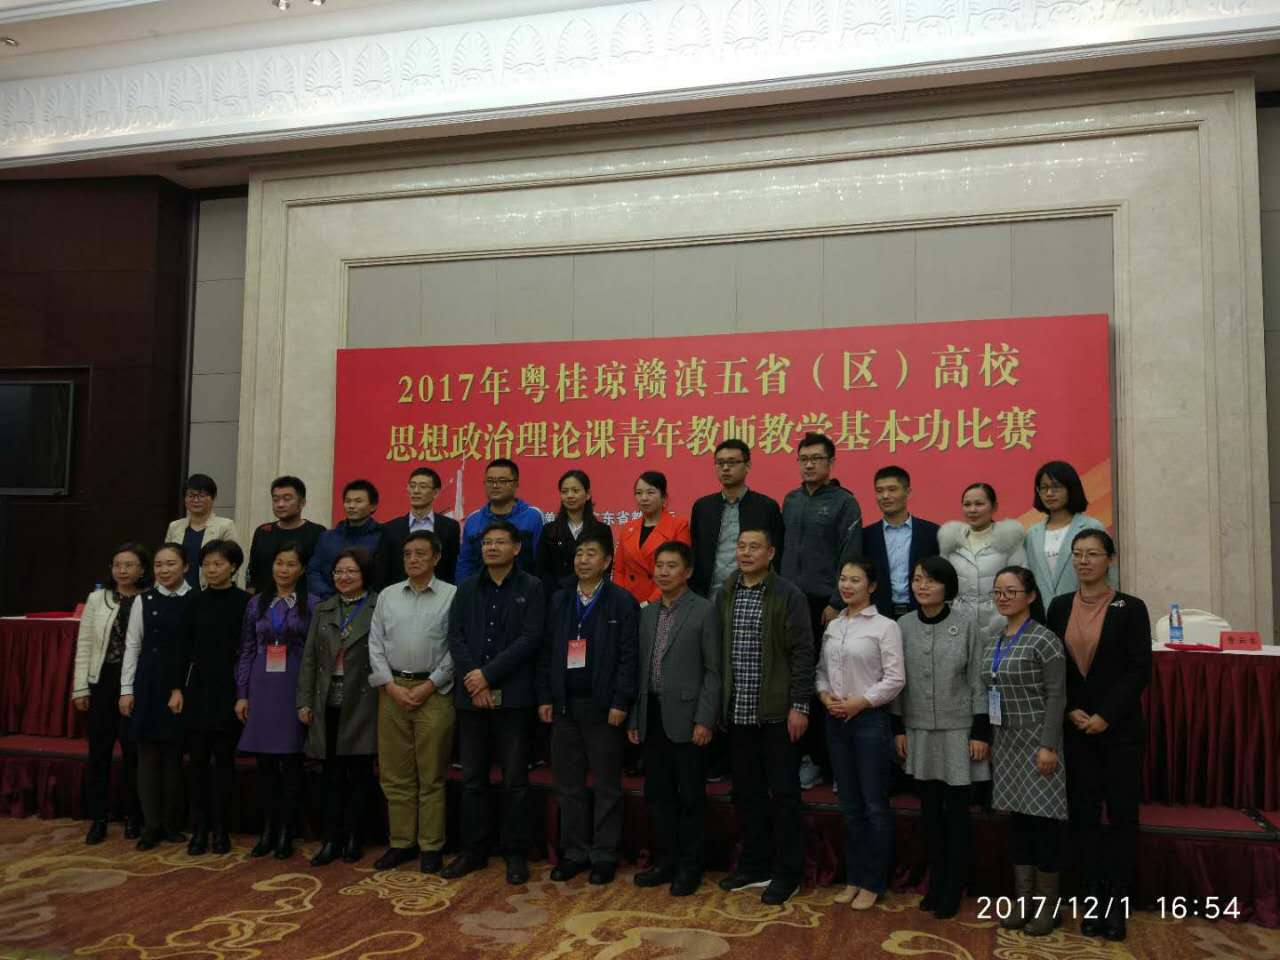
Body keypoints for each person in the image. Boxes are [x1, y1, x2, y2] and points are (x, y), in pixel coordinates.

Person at [1047, 530, 1151, 942]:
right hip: (1076, 729)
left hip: (1119, 730)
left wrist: (1107, 715)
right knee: (1084, 816)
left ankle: (1118, 903)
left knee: (1122, 816)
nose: (1084, 561)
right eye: (1078, 554)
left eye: (1093, 554)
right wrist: (1069, 708)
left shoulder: (1131, 607)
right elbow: (1054, 666)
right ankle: (1091, 899)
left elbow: (1139, 669)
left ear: (1111, 559)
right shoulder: (1058, 606)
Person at [443, 520, 546, 885]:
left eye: (500, 542)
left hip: (514, 697)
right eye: (487, 542)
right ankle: (474, 850)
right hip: (472, 696)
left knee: (515, 779)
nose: (491, 548)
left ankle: (514, 851)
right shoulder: (467, 588)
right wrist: (475, 678)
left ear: (516, 548)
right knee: (472, 778)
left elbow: (531, 639)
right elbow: (455, 636)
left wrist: (487, 675)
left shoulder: (532, 587)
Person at [714, 527, 814, 906]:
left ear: (771, 553)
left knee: (784, 795)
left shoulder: (788, 594)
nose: (745, 553)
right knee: (747, 794)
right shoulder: (727, 590)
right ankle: (754, 865)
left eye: (754, 547)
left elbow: (803, 653)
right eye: (741, 546)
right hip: (738, 713)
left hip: (777, 714)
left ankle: (788, 872)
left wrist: (799, 705)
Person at [890, 557, 990, 919]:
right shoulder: (902, 625)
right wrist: (898, 727)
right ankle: (935, 883)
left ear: (947, 587)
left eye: (931, 580)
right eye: (917, 579)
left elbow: (978, 680)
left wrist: (980, 731)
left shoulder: (967, 625)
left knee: (957, 814)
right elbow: (897, 680)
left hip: (957, 730)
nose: (922, 586)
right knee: (929, 813)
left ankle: (953, 886)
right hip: (917, 730)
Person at [537, 531, 639, 885]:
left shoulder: (621, 601)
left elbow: (629, 657)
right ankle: (574, 852)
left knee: (607, 785)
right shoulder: (560, 599)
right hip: (565, 706)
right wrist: (546, 696)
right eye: (579, 553)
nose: (582, 559)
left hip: (603, 707)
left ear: (607, 561)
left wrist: (620, 701)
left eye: (591, 553)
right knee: (568, 785)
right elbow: (546, 651)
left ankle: (604, 854)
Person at [628, 540, 721, 896]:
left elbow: (713, 671)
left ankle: (690, 866)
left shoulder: (704, 610)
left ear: (688, 572)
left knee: (691, 797)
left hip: (689, 718)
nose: (663, 572)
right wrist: (635, 718)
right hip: (652, 715)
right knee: (658, 794)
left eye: (671, 566)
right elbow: (639, 671)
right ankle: (665, 861)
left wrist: (705, 719)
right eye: (659, 566)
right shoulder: (647, 613)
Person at [363, 534, 457, 874]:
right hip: (392, 692)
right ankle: (401, 842)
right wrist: (389, 685)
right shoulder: (388, 595)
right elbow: (375, 644)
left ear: (436, 558)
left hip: (434, 692)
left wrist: (431, 685)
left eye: (420, 554)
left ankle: (431, 845)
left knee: (431, 774)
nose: (413, 559)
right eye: (407, 554)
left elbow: (456, 647)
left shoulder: (452, 595)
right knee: (395, 774)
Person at [983, 566, 1068, 937]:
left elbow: (1057, 696)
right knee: (1018, 824)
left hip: (1039, 742)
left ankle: (1049, 906)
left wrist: (1049, 745)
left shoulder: (1045, 640)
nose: (1003, 598)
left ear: (1030, 596)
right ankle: (1023, 901)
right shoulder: (994, 639)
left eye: (1011, 591)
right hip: (1006, 744)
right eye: (998, 592)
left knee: (1043, 825)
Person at [817, 558, 904, 911]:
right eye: (843, 579)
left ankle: (873, 882)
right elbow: (821, 671)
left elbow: (895, 679)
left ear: (872, 586)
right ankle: (854, 878)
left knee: (874, 806)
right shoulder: (834, 625)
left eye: (855, 580)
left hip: (869, 722)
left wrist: (861, 702)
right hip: (835, 721)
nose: (847, 585)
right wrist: (824, 696)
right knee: (850, 807)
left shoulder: (885, 627)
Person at [781, 432, 864, 790]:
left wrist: (835, 601)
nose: (809, 464)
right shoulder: (791, 500)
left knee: (828, 682)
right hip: (790, 602)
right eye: (804, 459)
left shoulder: (845, 503)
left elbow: (851, 553)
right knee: (796, 679)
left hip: (825, 605)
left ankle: (832, 763)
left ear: (831, 462)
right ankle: (805, 757)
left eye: (816, 458)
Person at [297, 548, 382, 867]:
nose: (344, 577)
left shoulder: (378, 606)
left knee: (359, 773)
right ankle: (331, 839)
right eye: (338, 572)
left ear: (364, 574)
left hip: (363, 702)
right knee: (330, 774)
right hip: (327, 701)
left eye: (351, 571)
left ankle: (355, 837)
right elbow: (309, 658)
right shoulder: (324, 609)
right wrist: (304, 701)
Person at [168, 539, 251, 856]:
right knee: (198, 764)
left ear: (233, 566)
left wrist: (244, 692)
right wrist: (177, 689)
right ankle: (199, 829)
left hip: (230, 689)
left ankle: (221, 830)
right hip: (198, 689)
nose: (211, 570)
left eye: (218, 564)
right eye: (206, 564)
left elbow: (248, 650)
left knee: (224, 764)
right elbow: (181, 647)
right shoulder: (194, 601)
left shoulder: (246, 602)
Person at [236, 543, 313, 859]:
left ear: (301, 569)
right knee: (265, 765)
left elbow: (314, 655)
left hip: (293, 685)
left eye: (291, 564)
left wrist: (309, 697)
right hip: (262, 685)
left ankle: (286, 832)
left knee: (291, 763)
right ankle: (267, 830)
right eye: (279, 563)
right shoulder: (256, 603)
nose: (284, 569)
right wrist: (242, 694)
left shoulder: (312, 604)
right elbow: (246, 649)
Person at [119, 543, 195, 850]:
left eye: (171, 564)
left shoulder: (195, 599)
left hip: (181, 686)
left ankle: (172, 824)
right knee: (148, 757)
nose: (164, 570)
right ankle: (151, 826)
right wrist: (126, 690)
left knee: (174, 757)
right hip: (148, 683)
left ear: (185, 567)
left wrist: (181, 689)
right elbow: (133, 646)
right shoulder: (144, 600)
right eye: (159, 564)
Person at [73, 541, 149, 844]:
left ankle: (134, 816)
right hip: (102, 681)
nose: (122, 570)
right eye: (117, 565)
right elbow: (85, 644)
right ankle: (98, 818)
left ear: (142, 569)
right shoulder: (97, 598)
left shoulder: (150, 597)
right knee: (99, 752)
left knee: (133, 752)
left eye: (129, 565)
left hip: (137, 683)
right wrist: (80, 687)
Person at [689, 440, 784, 598]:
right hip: (707, 596)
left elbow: (776, 556)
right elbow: (695, 553)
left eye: (732, 462)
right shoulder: (702, 507)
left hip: (754, 595)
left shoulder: (766, 507)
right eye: (720, 463)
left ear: (747, 466)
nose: (725, 468)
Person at [938, 483, 1026, 634]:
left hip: (1000, 621)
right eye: (967, 504)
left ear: (994, 507)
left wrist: (1006, 617)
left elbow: (1020, 583)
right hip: (958, 623)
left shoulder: (1009, 539)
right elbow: (943, 586)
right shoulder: (950, 541)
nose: (972, 510)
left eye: (979, 504)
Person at [1023, 461, 1117, 603]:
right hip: (1042, 612)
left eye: (1056, 487)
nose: (1049, 493)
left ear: (1071, 488)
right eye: (1044, 488)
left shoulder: (1091, 527)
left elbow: (1110, 573)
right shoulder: (1032, 534)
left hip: (1085, 607)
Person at [861, 466, 940, 618]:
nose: (885, 496)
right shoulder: (865, 536)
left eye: (892, 489)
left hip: (923, 613)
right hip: (878, 615)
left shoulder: (932, 533)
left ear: (908, 492)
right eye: (879, 491)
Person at [455, 458, 544, 583]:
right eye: (490, 481)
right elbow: (465, 564)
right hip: (481, 590)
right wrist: (463, 591)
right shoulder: (473, 520)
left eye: (502, 481)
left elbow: (541, 562)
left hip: (523, 590)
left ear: (516, 484)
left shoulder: (533, 516)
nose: (495, 486)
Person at [613, 471, 691, 605]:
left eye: (650, 493)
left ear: (664, 497)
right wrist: (621, 599)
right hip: (628, 602)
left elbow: (679, 571)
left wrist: (650, 602)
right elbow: (619, 570)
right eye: (639, 493)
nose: (644, 498)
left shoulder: (678, 526)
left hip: (664, 601)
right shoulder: (627, 528)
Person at [535, 469, 612, 598]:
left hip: (592, 597)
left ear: (587, 494)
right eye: (564, 491)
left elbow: (606, 570)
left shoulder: (601, 530)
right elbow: (542, 571)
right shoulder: (549, 530)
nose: (570, 496)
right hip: (557, 598)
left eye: (575, 491)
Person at [378, 467, 461, 586]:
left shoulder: (450, 527)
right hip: (400, 593)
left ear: (436, 493)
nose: (416, 491)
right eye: (412, 486)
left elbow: (452, 567)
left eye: (423, 486)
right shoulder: (390, 529)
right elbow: (383, 571)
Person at [246, 476, 325, 596]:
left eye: (287, 499)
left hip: (303, 602)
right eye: (275, 499)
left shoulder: (317, 532)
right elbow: (252, 571)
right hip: (265, 601)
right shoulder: (262, 532)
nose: (280, 504)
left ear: (302, 503)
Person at [307, 479, 384, 600]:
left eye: (358, 501)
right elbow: (313, 571)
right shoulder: (327, 537)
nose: (351, 506)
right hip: (328, 602)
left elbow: (383, 576)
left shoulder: (383, 537)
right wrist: (331, 598)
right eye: (348, 501)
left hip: (367, 604)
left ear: (373, 506)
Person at [164, 473, 240, 589]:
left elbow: (233, 562)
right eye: (191, 495)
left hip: (211, 590)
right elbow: (165, 559)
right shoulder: (175, 526)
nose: (196, 500)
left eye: (201, 495)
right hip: (178, 590)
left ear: (213, 498)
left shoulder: (225, 526)